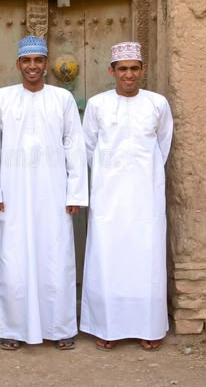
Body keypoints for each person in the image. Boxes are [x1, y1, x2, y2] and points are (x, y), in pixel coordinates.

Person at [0, 35, 88, 350]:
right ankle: (14, 329)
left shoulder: (62, 99)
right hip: (12, 196)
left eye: (38, 61)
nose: (32, 67)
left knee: (57, 258)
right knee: (13, 259)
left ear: (45, 63)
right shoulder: (1, 98)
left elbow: (75, 146)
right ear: (18, 64)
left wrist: (75, 194)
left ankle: (60, 328)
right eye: (26, 61)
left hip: (54, 195)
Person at [80, 41, 173, 351]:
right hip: (109, 196)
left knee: (146, 259)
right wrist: (111, 177)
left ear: (143, 70)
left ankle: (149, 326)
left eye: (135, 68)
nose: (129, 74)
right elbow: (89, 148)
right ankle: (107, 327)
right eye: (123, 69)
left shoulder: (157, 104)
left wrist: (141, 174)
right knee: (109, 258)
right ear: (112, 71)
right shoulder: (97, 105)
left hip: (146, 194)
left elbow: (162, 146)